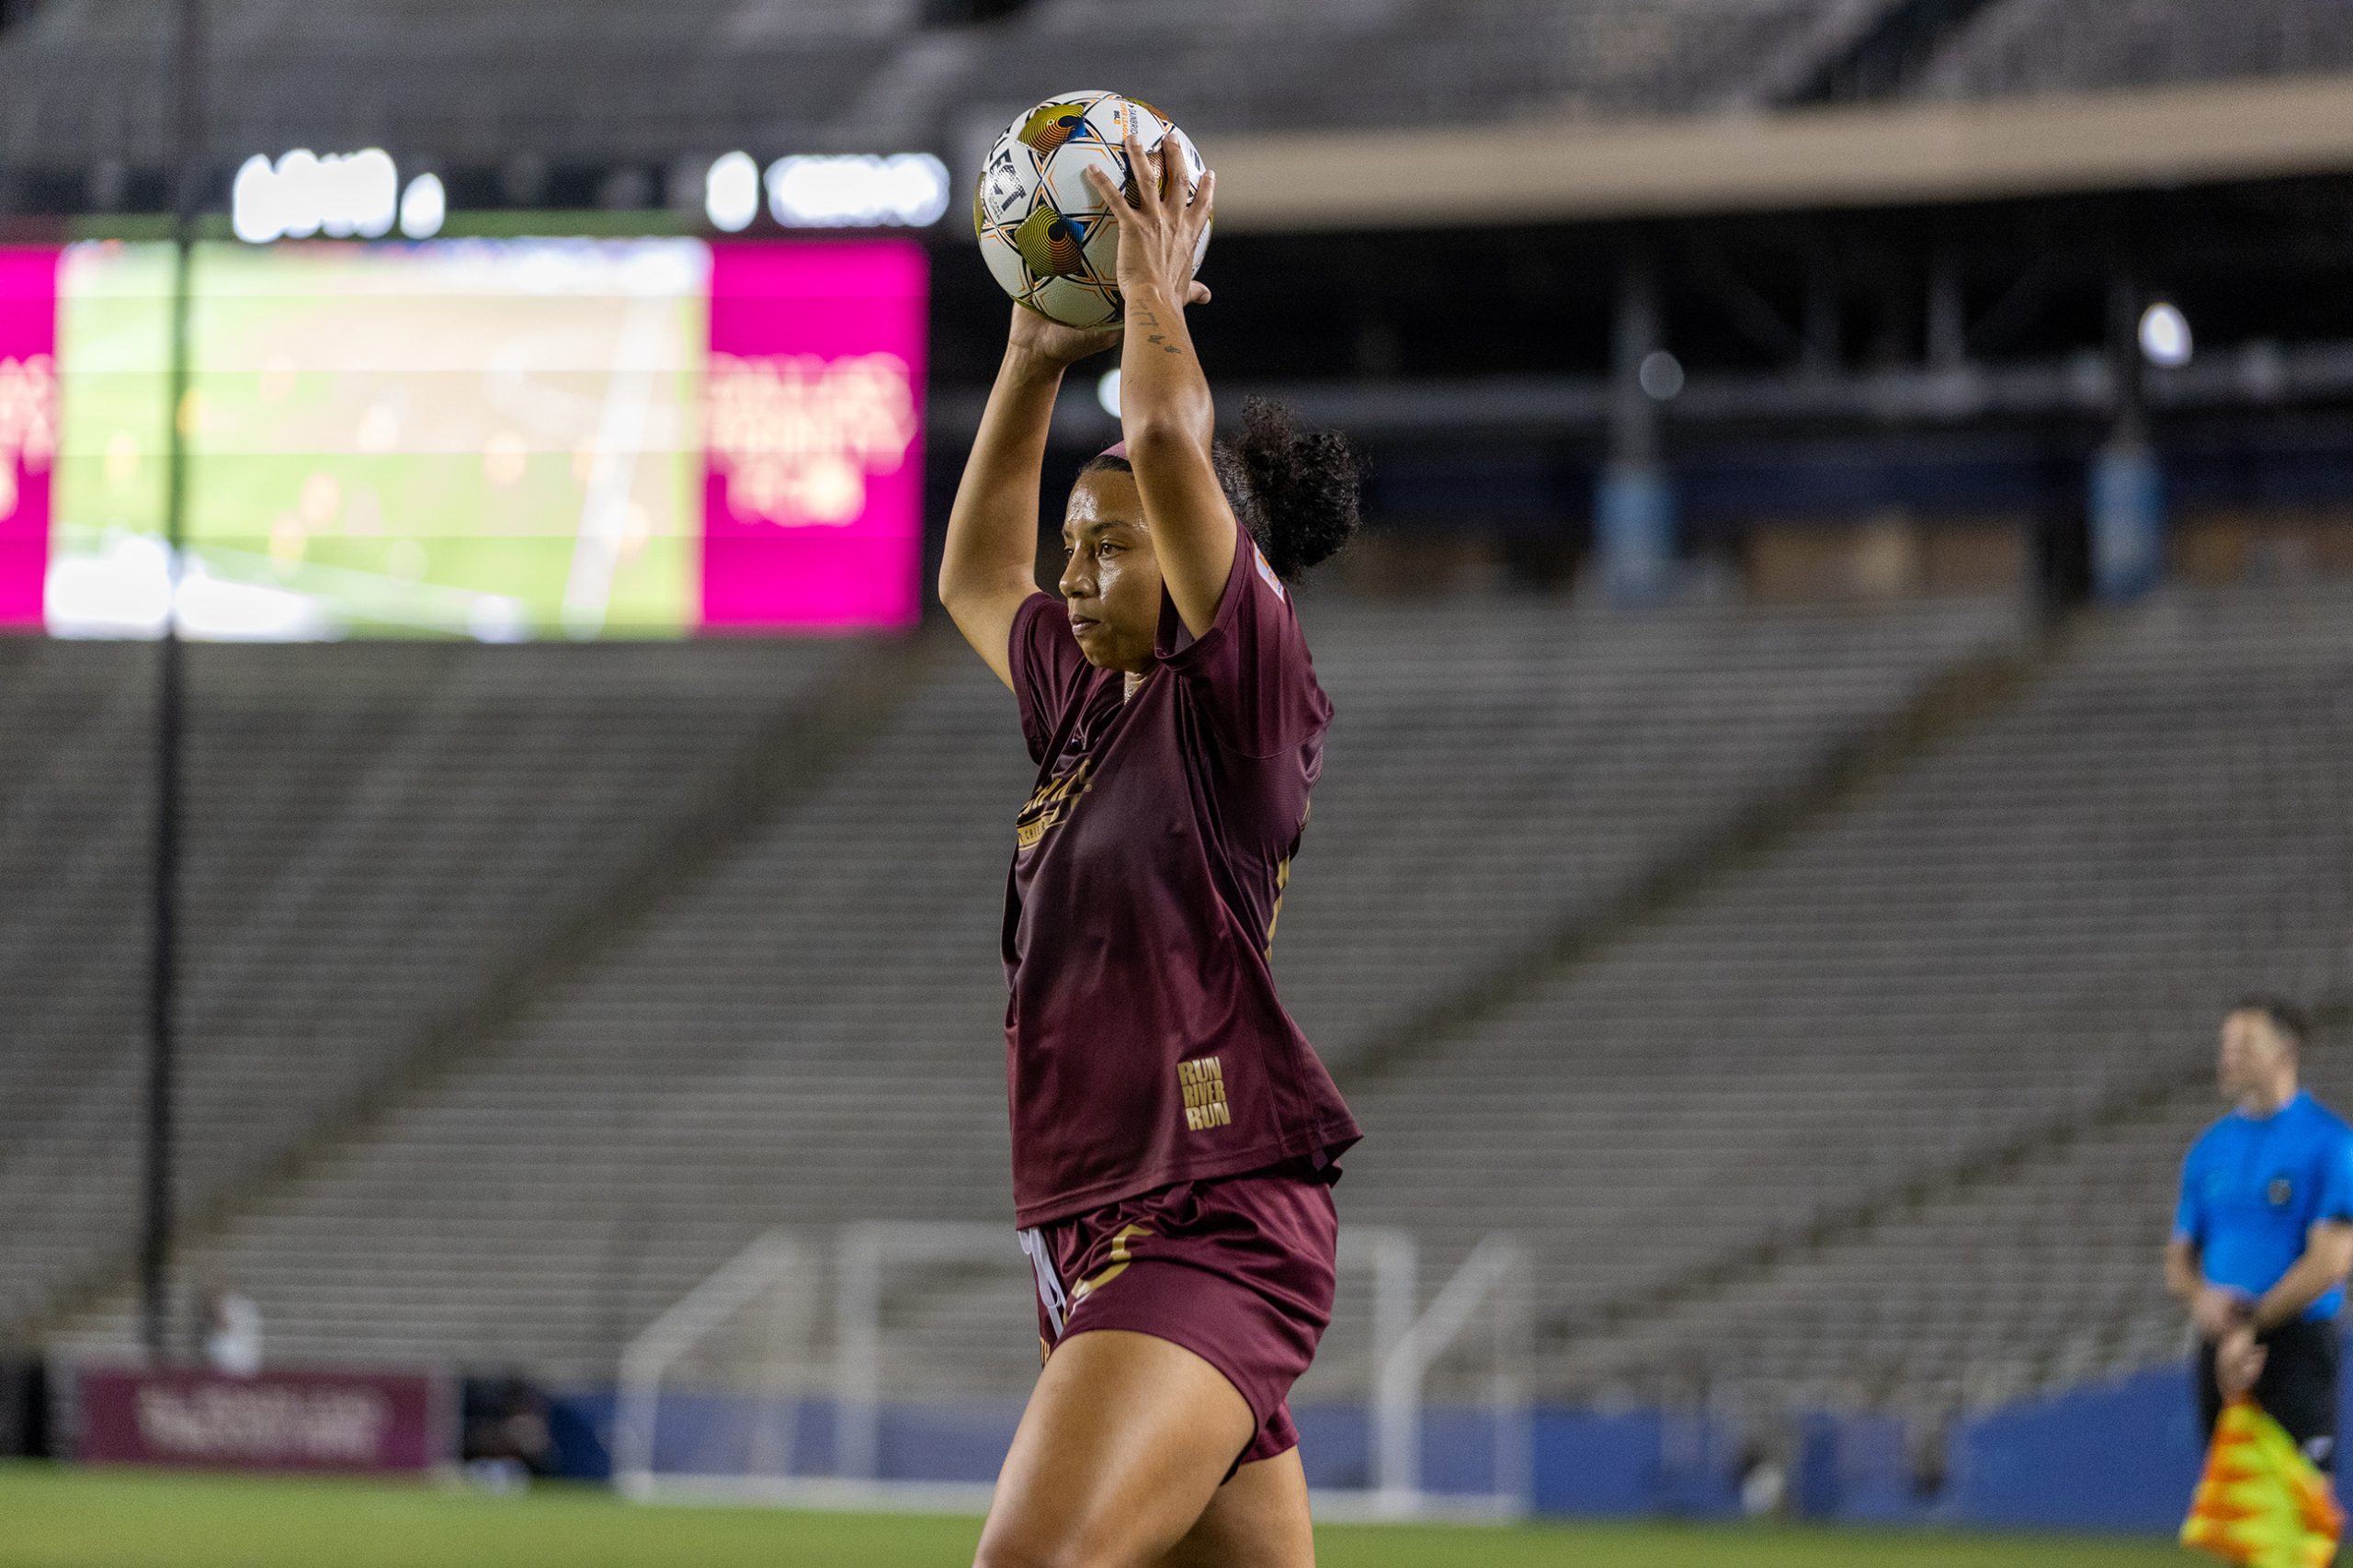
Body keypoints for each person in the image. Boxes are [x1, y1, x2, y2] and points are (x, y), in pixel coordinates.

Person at [938, 129, 1363, 1568]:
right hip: (1088, 1225)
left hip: (1202, 1219)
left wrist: (1150, 291)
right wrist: (1033, 350)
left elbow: (1173, 441)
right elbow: (975, 572)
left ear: (1199, 567)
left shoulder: (1237, 699)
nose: (1071, 570)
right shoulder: (1084, 707)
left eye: (1108, 545)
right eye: (1074, 538)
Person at [2166, 996, 2353, 1475]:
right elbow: (2179, 1260)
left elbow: (2332, 1260)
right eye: (2226, 1044)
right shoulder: (2209, 1148)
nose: (2228, 1056)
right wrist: (2202, 1299)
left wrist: (2253, 1324)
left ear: (2285, 1052)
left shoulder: (2331, 1143)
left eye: (2245, 1044)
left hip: (2295, 1344)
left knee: (2298, 1522)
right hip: (2219, 1345)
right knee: (2239, 1517)